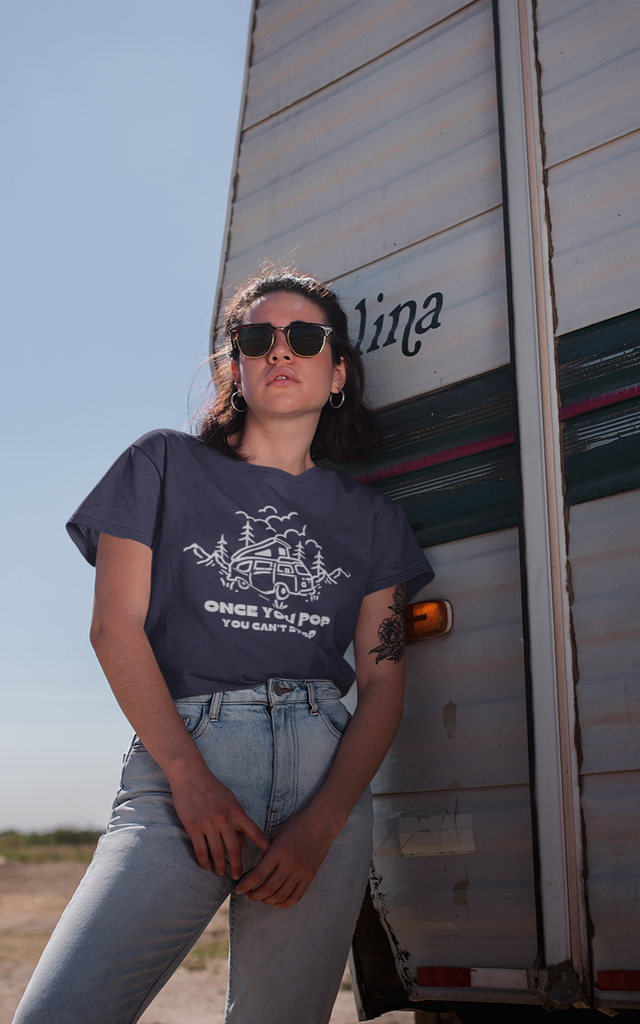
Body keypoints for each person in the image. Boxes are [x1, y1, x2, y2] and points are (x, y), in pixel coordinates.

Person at [14, 269, 433, 1024]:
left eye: (305, 338)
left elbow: (384, 686)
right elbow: (114, 629)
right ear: (233, 368)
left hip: (323, 778)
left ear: (337, 374)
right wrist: (189, 777)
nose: (281, 351)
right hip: (187, 759)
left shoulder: (373, 521)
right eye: (255, 338)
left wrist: (323, 823)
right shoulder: (161, 465)